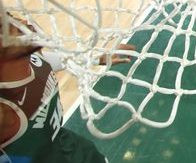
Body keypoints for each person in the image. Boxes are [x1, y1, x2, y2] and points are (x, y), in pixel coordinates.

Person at [1, 15, 135, 162]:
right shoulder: (6, 110)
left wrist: (97, 58)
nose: (22, 22)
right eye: (4, 27)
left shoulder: (32, 58)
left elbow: (50, 60)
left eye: (11, 16)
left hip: (68, 146)